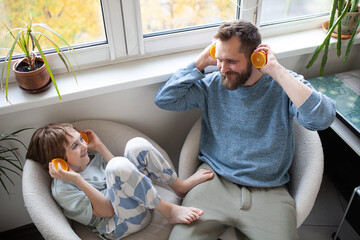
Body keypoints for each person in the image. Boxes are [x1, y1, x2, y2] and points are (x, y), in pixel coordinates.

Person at [154, 19, 336, 240]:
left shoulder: (281, 86)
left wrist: (277, 71)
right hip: (213, 182)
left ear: (255, 57)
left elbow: (322, 118)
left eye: (230, 61)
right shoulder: (213, 84)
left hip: (269, 190)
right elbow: (165, 100)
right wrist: (201, 62)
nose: (221, 68)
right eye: (219, 59)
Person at [26, 123, 214, 239]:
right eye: (75, 146)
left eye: (80, 139)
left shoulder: (89, 158)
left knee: (136, 145)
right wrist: (77, 180)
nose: (84, 145)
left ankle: (179, 187)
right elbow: (107, 210)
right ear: (59, 161)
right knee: (116, 165)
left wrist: (99, 147)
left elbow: (122, 170)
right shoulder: (64, 190)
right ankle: (167, 209)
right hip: (121, 222)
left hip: (138, 199)